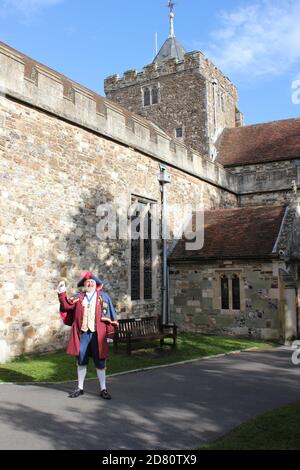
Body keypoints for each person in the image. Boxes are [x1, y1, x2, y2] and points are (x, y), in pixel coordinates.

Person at [57, 271, 118, 400]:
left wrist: (109, 334)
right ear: (84, 284)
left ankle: (103, 389)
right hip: (83, 334)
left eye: (92, 282)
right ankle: (80, 388)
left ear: (96, 285)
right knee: (81, 361)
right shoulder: (78, 297)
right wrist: (62, 292)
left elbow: (110, 316)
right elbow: (66, 305)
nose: (89, 284)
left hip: (98, 335)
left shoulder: (104, 297)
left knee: (100, 362)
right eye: (87, 282)